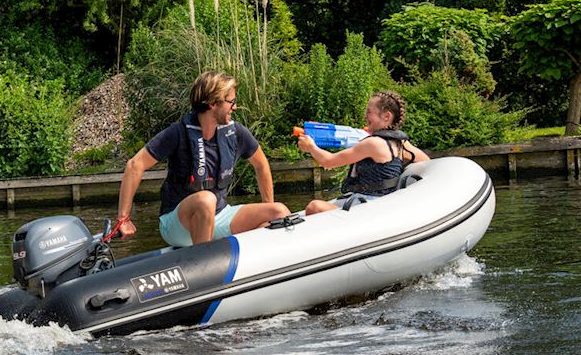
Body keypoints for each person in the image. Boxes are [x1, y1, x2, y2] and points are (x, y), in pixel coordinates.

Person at [115, 71, 290, 247]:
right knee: (206, 200)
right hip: (177, 224)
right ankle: (201, 263)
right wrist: (124, 218)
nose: (235, 108)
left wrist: (267, 205)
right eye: (231, 102)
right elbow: (134, 165)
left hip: (219, 215)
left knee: (278, 212)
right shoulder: (178, 133)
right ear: (213, 103)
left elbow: (261, 165)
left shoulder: (236, 133)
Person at [294, 90, 430, 215]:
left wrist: (311, 147)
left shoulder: (373, 143)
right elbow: (425, 161)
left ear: (386, 116)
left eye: (369, 112)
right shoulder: (401, 143)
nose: (365, 116)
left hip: (369, 206)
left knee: (314, 207)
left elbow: (328, 161)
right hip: (382, 202)